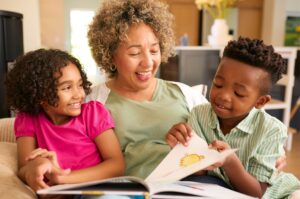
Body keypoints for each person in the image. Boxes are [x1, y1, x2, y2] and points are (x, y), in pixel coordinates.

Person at [86, 0, 285, 188]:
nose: (148, 63)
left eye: (154, 51)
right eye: (135, 53)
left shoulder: (185, 94)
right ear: (109, 54)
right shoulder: (92, 102)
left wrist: (273, 154)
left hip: (191, 189)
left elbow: (231, 132)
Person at [166, 37, 300, 199]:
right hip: (218, 190)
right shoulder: (199, 115)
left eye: (238, 93)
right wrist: (181, 150)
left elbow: (256, 194)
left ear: (260, 101)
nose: (223, 96)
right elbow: (199, 172)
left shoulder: (271, 129)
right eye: (218, 84)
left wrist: (229, 161)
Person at [5, 49, 125, 193]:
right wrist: (38, 164)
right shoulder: (28, 119)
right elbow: (24, 169)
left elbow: (116, 166)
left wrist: (63, 180)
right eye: (67, 87)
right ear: (39, 95)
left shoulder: (93, 114)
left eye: (80, 85)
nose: (79, 94)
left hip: (98, 190)